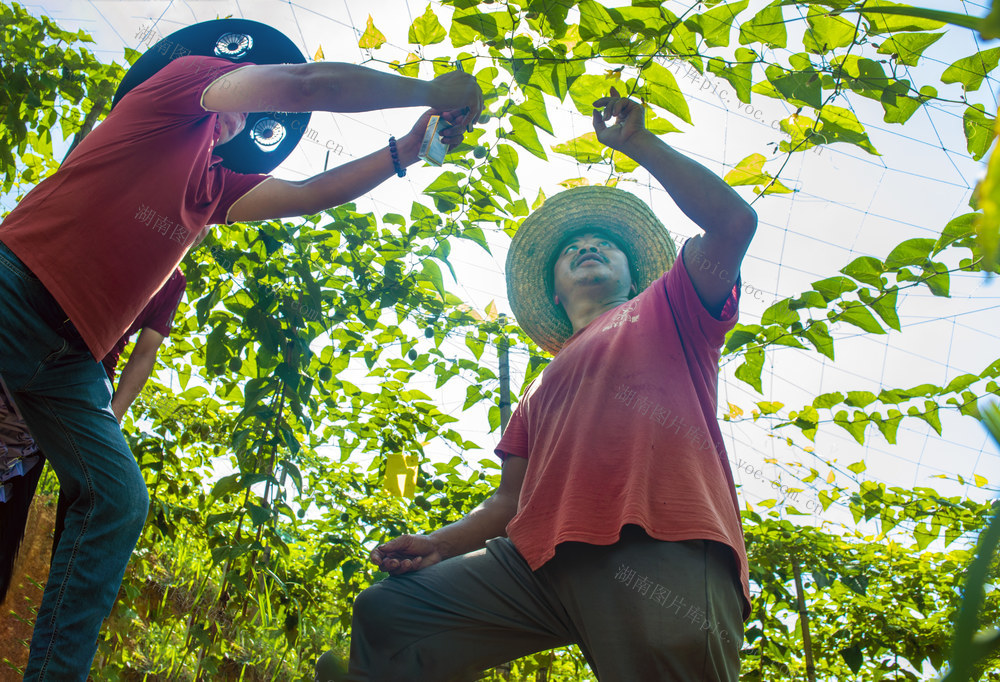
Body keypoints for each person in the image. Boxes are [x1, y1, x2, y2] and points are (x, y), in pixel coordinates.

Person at [0, 17, 482, 680]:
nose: (251, 107)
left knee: (116, 501)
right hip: (15, 287)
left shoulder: (214, 187)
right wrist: (429, 85)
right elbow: (307, 81)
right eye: (249, 92)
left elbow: (310, 194)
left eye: (260, 109)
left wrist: (406, 149)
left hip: (71, 362)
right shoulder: (178, 88)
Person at [335, 87, 757, 682]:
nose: (587, 247)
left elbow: (734, 222)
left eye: (603, 244)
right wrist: (442, 543)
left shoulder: (675, 308)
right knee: (391, 613)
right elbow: (511, 501)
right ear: (556, 292)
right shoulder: (543, 386)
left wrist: (637, 142)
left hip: (658, 536)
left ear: (637, 273)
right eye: (571, 250)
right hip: (535, 564)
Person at [0, 268, 186, 604]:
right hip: (32, 346)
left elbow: (145, 354)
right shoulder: (119, 224)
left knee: (99, 500)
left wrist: (109, 419)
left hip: (85, 390)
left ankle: (55, 630)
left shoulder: (173, 281)